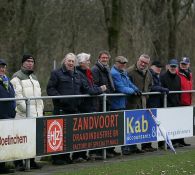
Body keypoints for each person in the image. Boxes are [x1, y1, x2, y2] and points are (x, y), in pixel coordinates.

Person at [11, 54, 43, 170]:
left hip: (36, 115)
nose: (30, 63)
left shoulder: (34, 77)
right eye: (28, 61)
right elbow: (18, 98)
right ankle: (19, 163)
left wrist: (40, 111)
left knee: (33, 139)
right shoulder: (16, 77)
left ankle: (31, 161)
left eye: (32, 61)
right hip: (23, 115)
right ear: (22, 63)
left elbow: (39, 97)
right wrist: (28, 111)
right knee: (21, 139)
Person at [76, 53, 107, 161]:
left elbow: (91, 86)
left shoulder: (87, 73)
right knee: (81, 133)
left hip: (91, 106)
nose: (89, 62)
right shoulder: (79, 74)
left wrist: (97, 88)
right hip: (84, 106)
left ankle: (84, 154)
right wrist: (100, 89)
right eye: (87, 61)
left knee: (88, 133)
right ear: (81, 63)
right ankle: (79, 155)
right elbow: (88, 90)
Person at [110, 56, 141, 155]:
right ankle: (124, 149)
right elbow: (121, 88)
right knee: (119, 129)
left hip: (122, 103)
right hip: (115, 104)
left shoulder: (123, 72)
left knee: (123, 128)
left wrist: (136, 89)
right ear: (116, 62)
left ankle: (127, 148)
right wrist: (133, 92)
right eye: (122, 63)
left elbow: (129, 84)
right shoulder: (114, 73)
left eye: (125, 63)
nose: (124, 65)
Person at [91, 50, 118, 158]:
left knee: (107, 129)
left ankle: (107, 150)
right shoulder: (95, 69)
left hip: (108, 101)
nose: (105, 59)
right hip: (99, 102)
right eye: (103, 58)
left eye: (107, 58)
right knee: (99, 129)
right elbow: (96, 85)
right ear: (99, 58)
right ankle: (96, 152)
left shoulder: (107, 69)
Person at [126, 54, 153, 154]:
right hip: (130, 104)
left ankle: (134, 147)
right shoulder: (129, 72)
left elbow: (150, 85)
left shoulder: (148, 73)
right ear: (138, 60)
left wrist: (146, 96)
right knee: (129, 127)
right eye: (142, 61)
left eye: (145, 63)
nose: (143, 64)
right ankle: (127, 148)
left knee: (137, 128)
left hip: (142, 104)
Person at [147, 61, 169, 150]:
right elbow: (150, 87)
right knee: (149, 125)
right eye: (157, 66)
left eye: (160, 67)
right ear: (152, 66)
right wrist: (162, 89)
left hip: (157, 103)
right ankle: (146, 146)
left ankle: (149, 145)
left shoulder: (157, 75)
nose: (159, 68)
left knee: (155, 126)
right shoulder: (150, 74)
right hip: (150, 103)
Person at [160, 59, 182, 147]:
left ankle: (173, 142)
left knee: (174, 125)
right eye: (171, 66)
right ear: (168, 66)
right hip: (166, 105)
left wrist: (178, 103)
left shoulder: (178, 78)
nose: (173, 68)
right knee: (165, 126)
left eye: (174, 66)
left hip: (175, 105)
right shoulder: (162, 77)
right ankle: (162, 144)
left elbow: (179, 92)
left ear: (177, 67)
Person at [0, 59, 16, 174]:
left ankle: (2, 165)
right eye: (0, 67)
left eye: (4, 67)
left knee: (5, 143)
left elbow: (13, 97)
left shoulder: (7, 81)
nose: (2, 69)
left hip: (8, 116)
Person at [176, 57, 192, 146]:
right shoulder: (178, 73)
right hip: (180, 100)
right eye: (182, 64)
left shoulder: (189, 73)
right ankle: (178, 140)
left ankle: (182, 140)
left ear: (188, 65)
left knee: (184, 122)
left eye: (185, 64)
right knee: (178, 121)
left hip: (187, 101)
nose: (183, 65)